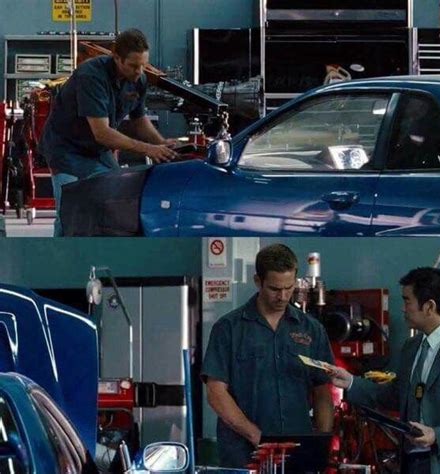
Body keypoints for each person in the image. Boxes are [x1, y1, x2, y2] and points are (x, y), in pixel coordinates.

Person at [201, 243, 334, 469]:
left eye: (288, 288)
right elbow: (216, 393)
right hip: (243, 455)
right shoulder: (229, 328)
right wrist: (257, 437)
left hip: (296, 452)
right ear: (258, 281)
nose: (282, 296)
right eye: (274, 289)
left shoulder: (311, 330)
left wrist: (320, 445)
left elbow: (322, 391)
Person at [329, 267, 440, 474]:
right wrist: (351, 383)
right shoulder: (411, 347)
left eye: (407, 301)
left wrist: (437, 435)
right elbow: (396, 394)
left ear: (429, 306)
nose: (403, 309)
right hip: (411, 463)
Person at [39, 28, 178, 236]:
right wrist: (149, 149)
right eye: (133, 65)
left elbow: (139, 120)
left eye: (143, 65)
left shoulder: (138, 79)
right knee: (70, 211)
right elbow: (102, 133)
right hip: (66, 149)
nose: (139, 71)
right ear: (116, 58)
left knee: (113, 201)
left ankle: (99, 255)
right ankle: (61, 260)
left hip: (97, 151)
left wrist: (162, 144)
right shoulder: (91, 76)